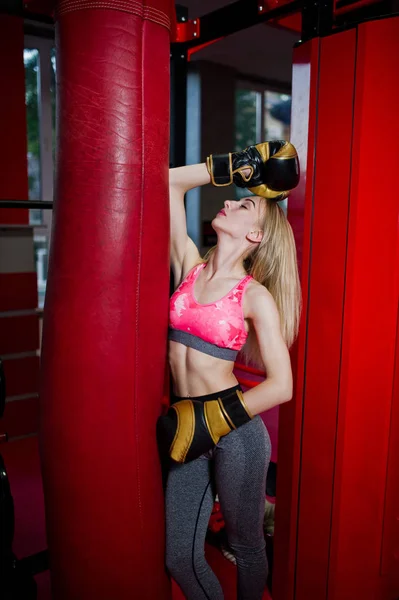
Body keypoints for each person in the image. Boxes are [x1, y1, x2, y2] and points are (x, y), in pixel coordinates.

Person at [157, 141, 301, 600]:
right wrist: (233, 167)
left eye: (243, 204)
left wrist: (211, 422)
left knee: (245, 545)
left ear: (256, 236)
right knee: (179, 555)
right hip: (186, 425)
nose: (228, 201)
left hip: (234, 431)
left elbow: (283, 386)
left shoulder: (253, 295)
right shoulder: (188, 264)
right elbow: (170, 182)